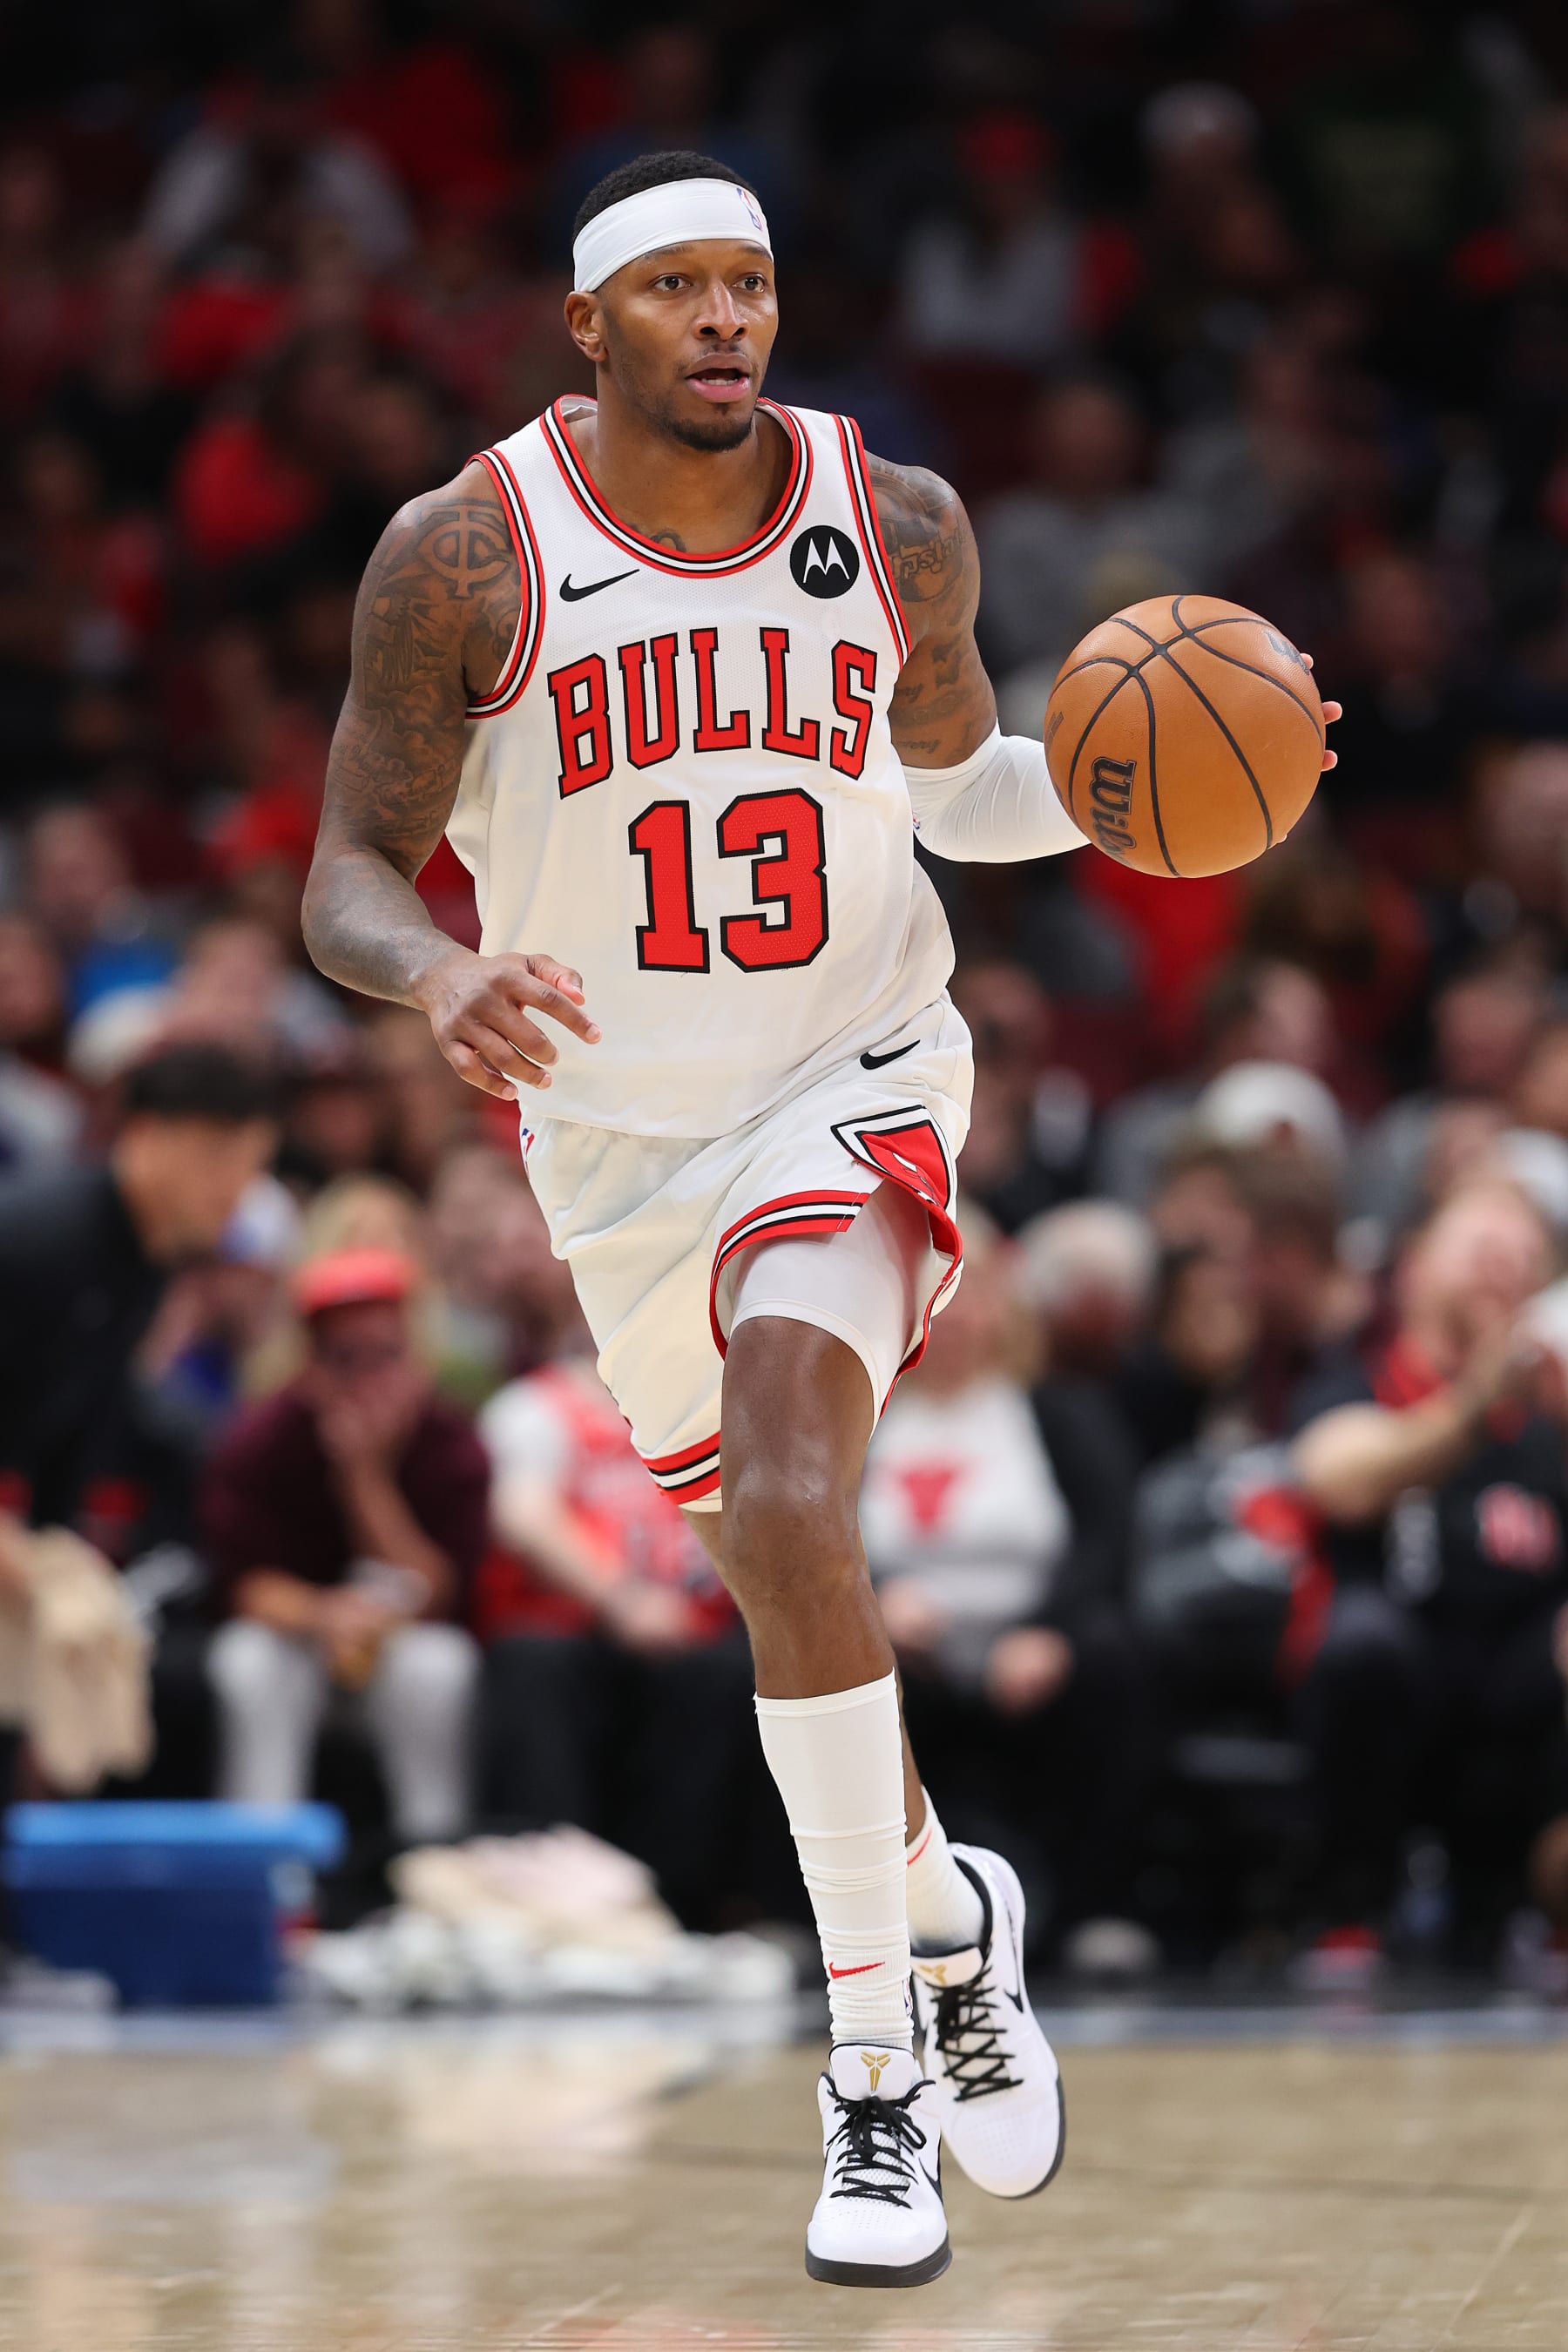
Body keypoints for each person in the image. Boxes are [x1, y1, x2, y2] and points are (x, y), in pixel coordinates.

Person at [301, 149, 1340, 2288]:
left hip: (852, 1070)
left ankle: (873, 2077)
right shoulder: (465, 555)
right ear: (586, 323)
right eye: (674, 286)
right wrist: (439, 971)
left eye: (748, 282)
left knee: (791, 1495)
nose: (723, 319)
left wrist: (1157, 774)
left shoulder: (901, 518)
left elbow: (956, 785)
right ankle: (952, 1912)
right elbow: (341, 872)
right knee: (784, 1579)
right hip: (612, 1151)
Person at [862, 1207, 1154, 1973]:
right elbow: (816, 1534)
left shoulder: (1057, 1414)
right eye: (929, 1294)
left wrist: (1049, 1630)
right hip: (905, 1657)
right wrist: (879, 1597)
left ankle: (1098, 1913)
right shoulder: (859, 1418)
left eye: (969, 1293)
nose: (951, 1317)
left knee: (1114, 1660)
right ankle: (829, 1921)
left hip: (1031, 1649)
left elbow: (1106, 1539)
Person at [1290, 1182, 1568, 1981]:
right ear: (1414, 1271)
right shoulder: (1360, 1382)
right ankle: (1349, 1910)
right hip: (1402, 1683)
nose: (1500, 1270)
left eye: (1520, 1260)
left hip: (1522, 1696)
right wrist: (1480, 1398)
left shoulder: (1548, 1419)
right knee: (1362, 1649)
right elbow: (1335, 1476)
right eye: (1481, 1250)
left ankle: (1536, 1902)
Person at [202, 1244, 486, 1842]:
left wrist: (364, 1477)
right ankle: (266, 1873)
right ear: (308, 1364)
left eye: (385, 1354)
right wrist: (322, 1614)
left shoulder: (450, 1444)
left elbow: (438, 1594)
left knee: (439, 1667)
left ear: (416, 1353)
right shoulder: (262, 1440)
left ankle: (430, 1866)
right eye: (342, 1357)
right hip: (299, 1643)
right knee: (247, 1661)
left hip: (396, 1648)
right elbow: (243, 1586)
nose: (366, 1379)